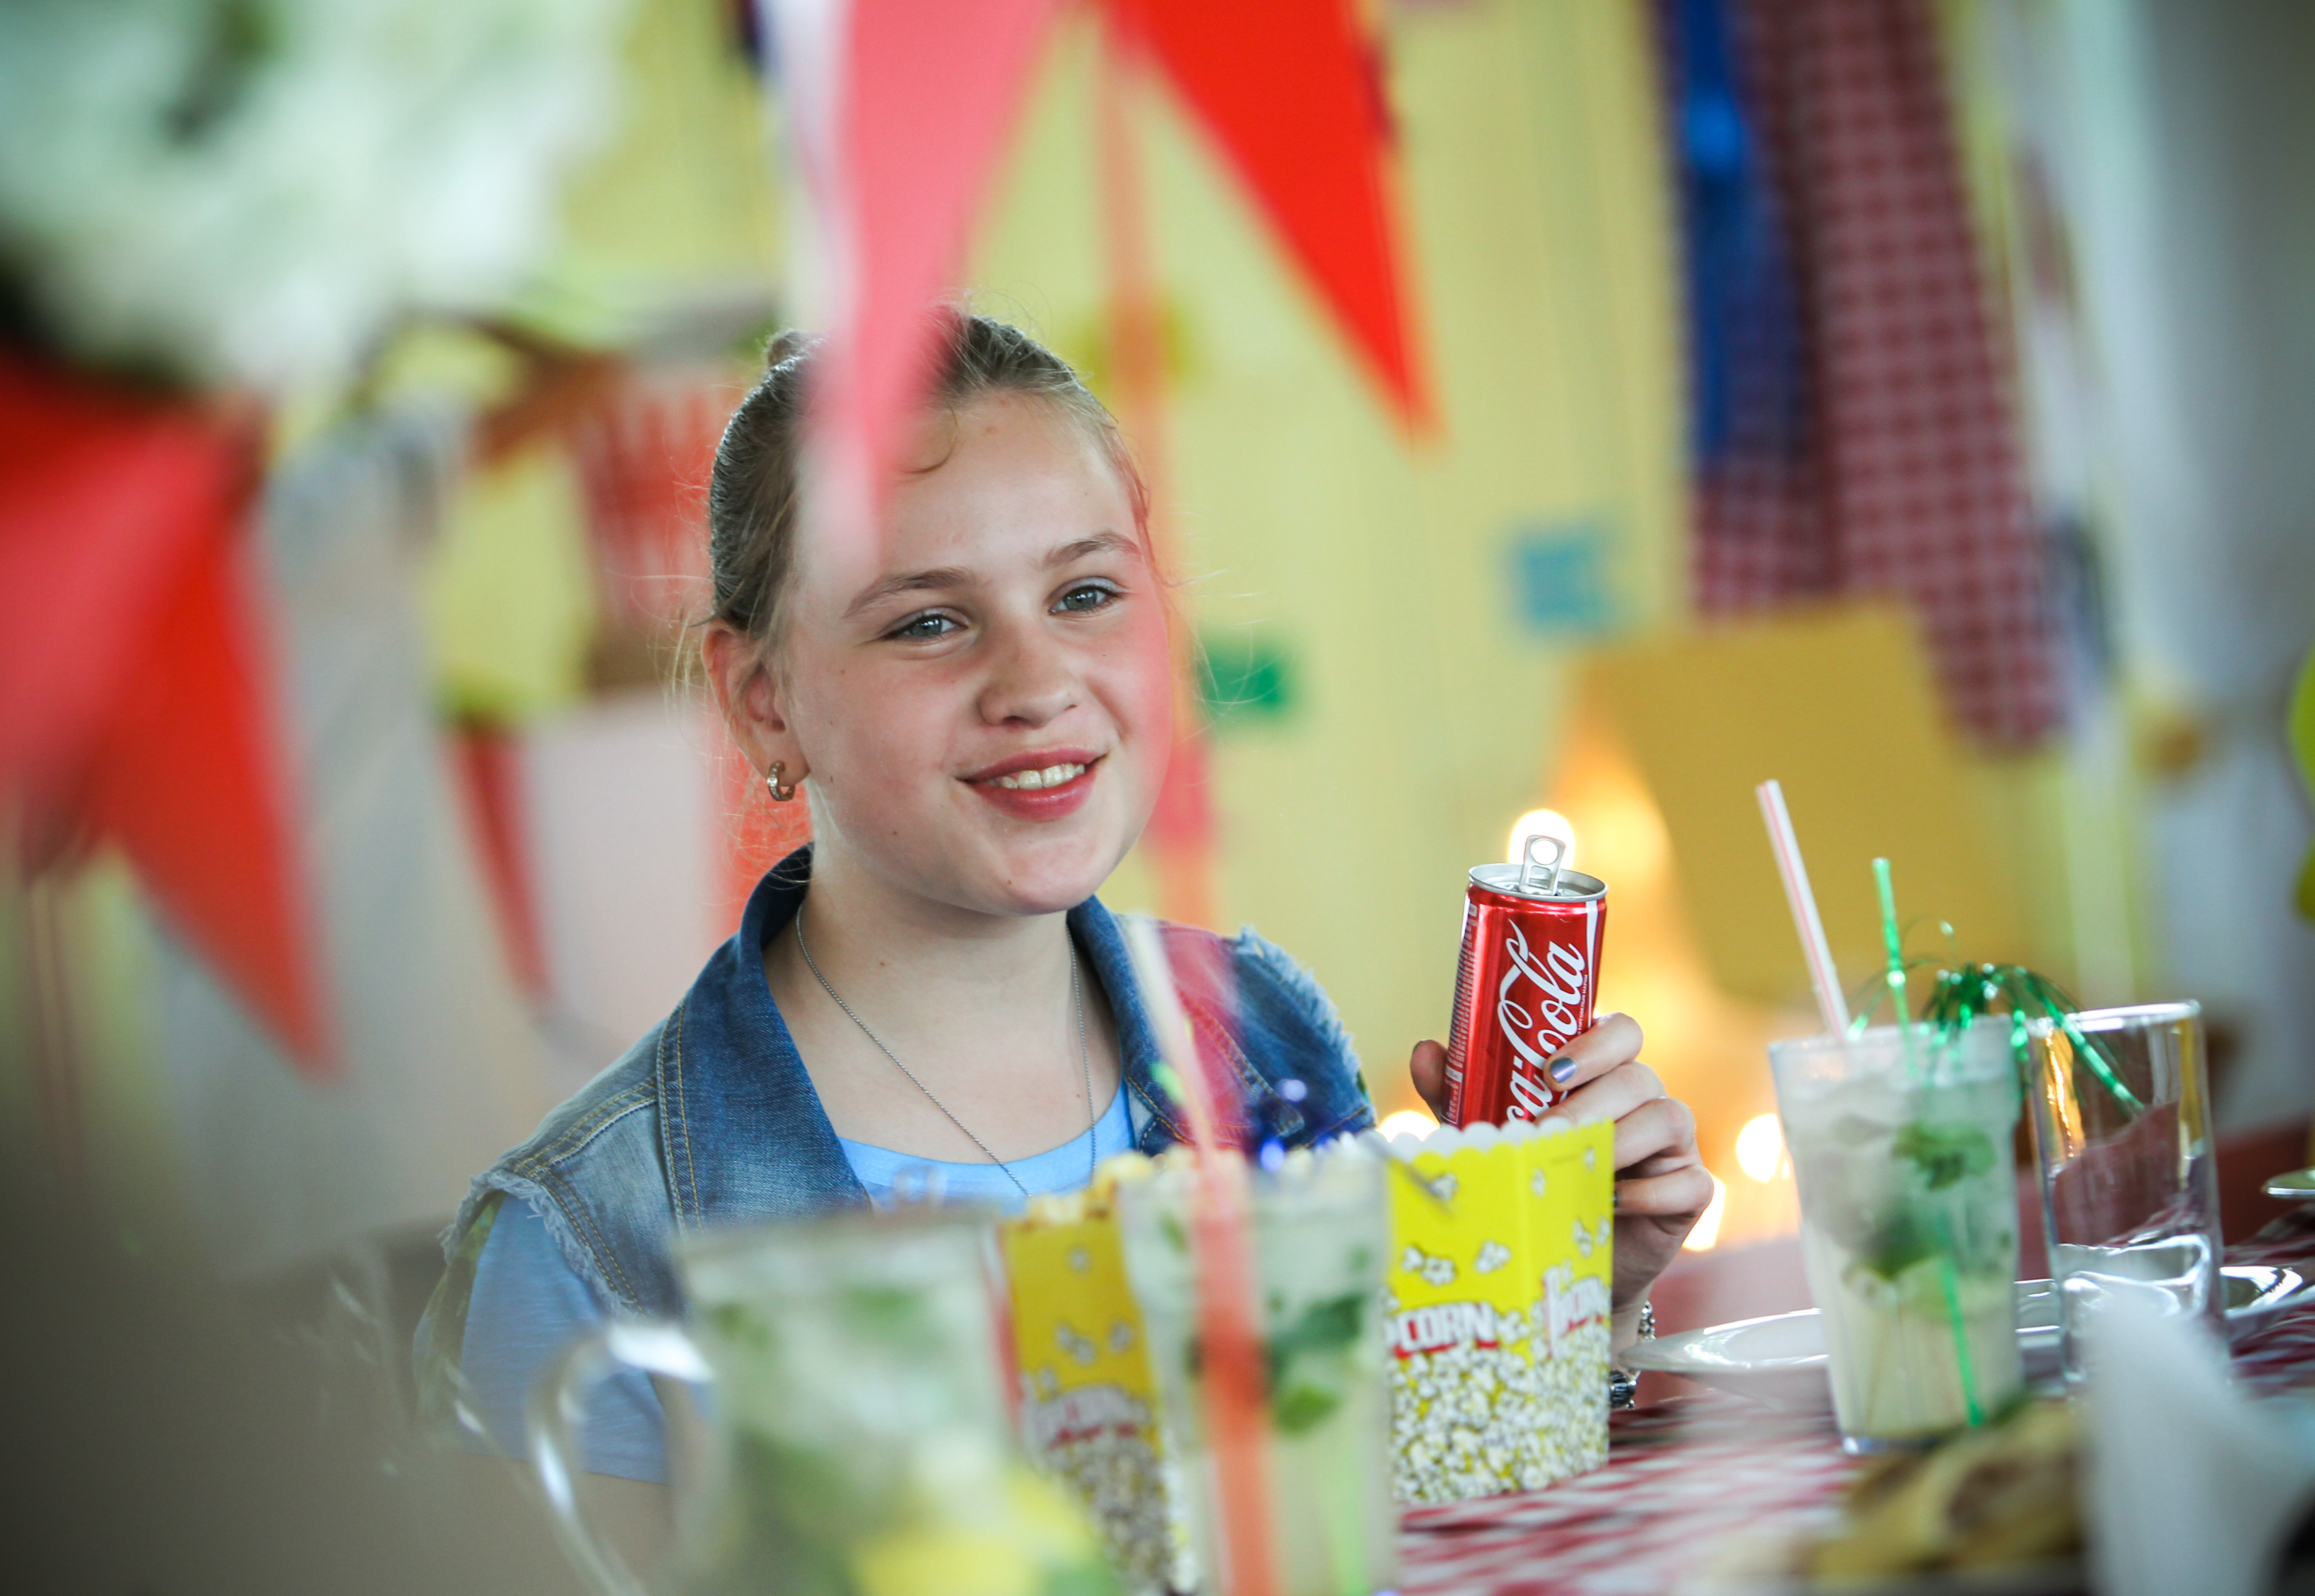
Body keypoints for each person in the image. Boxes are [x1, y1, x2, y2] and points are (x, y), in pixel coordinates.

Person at [418, 313, 1714, 1487]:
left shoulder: (1260, 1033)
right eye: (929, 623)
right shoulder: (587, 1241)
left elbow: (1410, 1505)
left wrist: (1565, 1296)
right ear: (764, 700)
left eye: (1086, 595)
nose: (1037, 683)